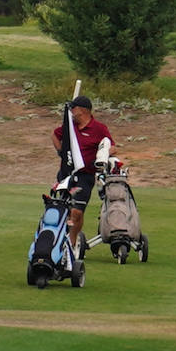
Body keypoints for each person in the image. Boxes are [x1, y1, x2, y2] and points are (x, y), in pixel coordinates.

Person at [51, 94, 114, 258]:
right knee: (62, 208)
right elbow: (55, 135)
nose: (71, 111)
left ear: (82, 110)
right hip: (66, 174)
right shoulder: (69, 126)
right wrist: (61, 152)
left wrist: (103, 155)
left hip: (85, 176)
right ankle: (58, 240)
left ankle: (72, 242)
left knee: (77, 212)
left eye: (74, 108)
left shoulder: (99, 128)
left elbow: (112, 147)